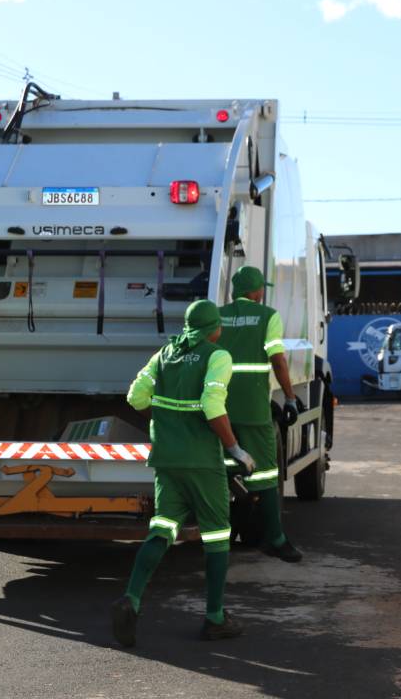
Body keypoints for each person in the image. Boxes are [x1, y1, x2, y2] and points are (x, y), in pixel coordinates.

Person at [113, 299, 256, 647]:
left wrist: (168, 422)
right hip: (202, 463)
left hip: (166, 459)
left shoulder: (164, 354)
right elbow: (211, 405)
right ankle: (215, 617)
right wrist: (236, 449)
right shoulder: (217, 356)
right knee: (217, 536)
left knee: (162, 529)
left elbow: (135, 397)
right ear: (213, 329)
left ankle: (131, 598)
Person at [215, 266, 303, 562]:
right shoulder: (268, 316)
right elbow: (277, 359)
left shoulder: (217, 315)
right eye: (260, 289)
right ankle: (275, 539)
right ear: (256, 292)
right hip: (252, 408)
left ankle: (218, 535)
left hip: (218, 408)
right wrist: (290, 397)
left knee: (221, 470)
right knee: (265, 473)